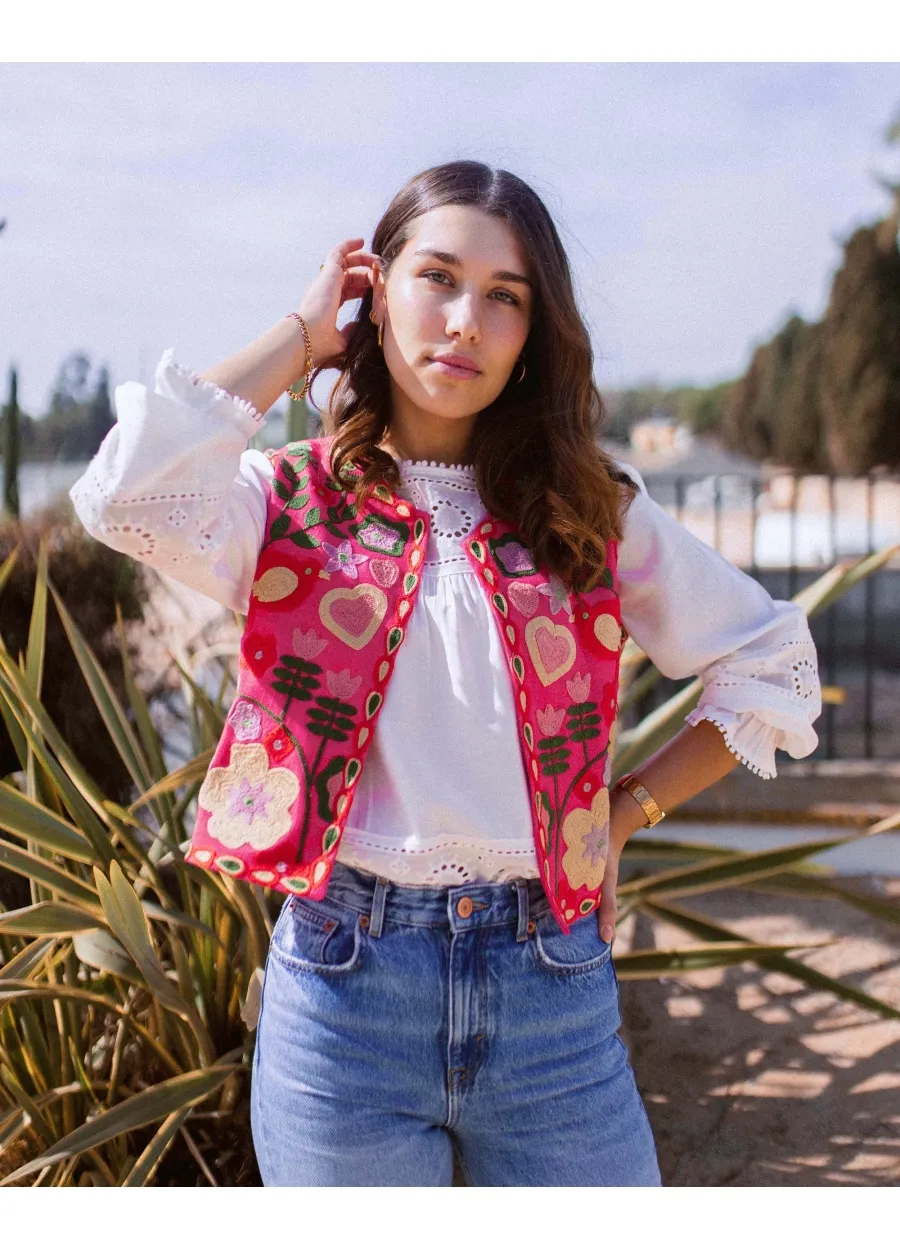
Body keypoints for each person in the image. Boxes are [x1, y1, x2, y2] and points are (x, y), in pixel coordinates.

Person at [70, 160, 822, 1187]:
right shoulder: (284, 499)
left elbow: (769, 660)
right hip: (343, 994)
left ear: (531, 333)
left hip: (552, 991)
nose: (467, 320)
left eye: (505, 297)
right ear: (374, 296)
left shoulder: (587, 512)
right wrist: (298, 339)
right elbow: (125, 498)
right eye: (437, 277)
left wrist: (627, 810)